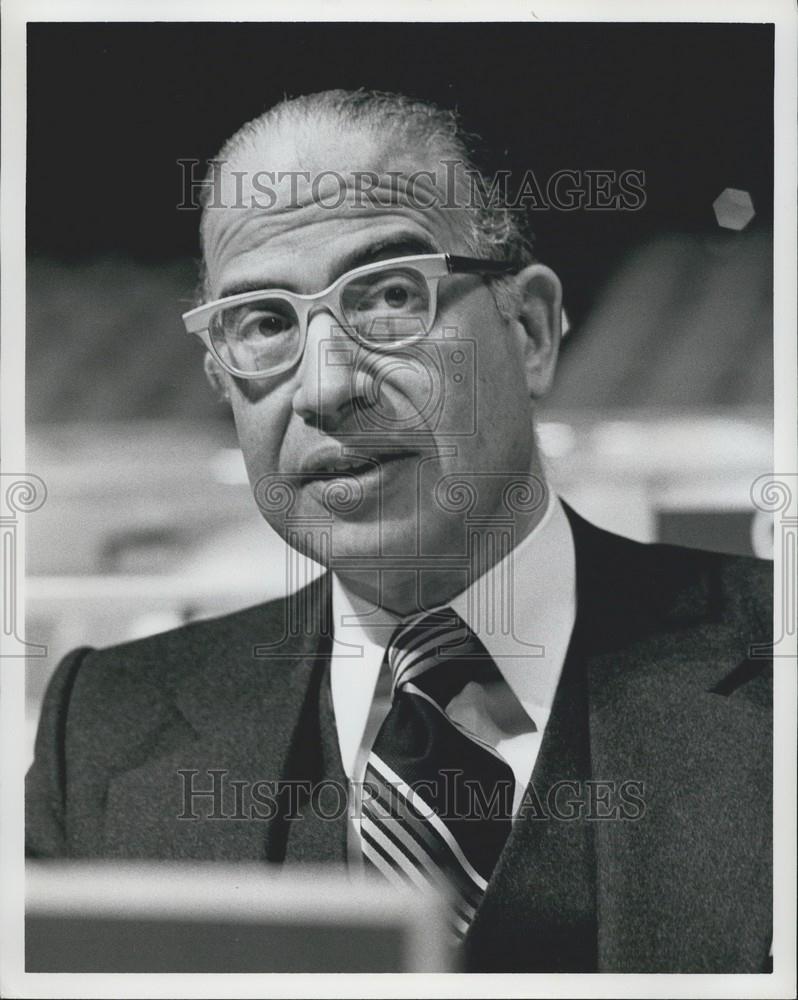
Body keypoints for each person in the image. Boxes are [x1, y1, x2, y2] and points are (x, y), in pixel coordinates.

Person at [25, 89, 772, 973]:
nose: (325, 387)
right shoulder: (104, 728)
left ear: (529, 331)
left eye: (386, 296)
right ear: (221, 381)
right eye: (263, 323)